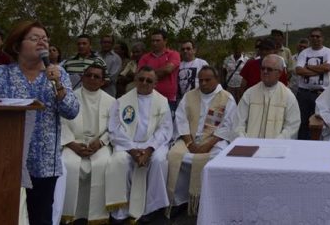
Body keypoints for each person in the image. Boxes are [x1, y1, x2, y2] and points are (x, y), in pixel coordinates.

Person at [0, 21, 79, 225]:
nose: (42, 42)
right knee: (1, 214)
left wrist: (58, 86)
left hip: (44, 163)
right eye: (35, 38)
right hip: (6, 162)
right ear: (17, 45)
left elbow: (72, 111)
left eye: (45, 39)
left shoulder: (58, 74)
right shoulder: (2, 73)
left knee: (41, 218)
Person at [106, 67, 173, 223]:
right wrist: (132, 150)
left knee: (158, 161)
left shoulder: (162, 102)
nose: (144, 83)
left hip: (153, 143)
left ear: (155, 83)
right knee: (120, 161)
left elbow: (165, 129)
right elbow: (114, 128)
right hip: (127, 144)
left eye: (149, 80)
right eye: (141, 79)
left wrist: (149, 150)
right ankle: (121, 208)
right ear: (135, 79)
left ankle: (151, 208)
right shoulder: (121, 101)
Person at [166, 66, 236, 215]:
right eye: (201, 80)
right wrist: (190, 143)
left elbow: (228, 125)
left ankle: (206, 199)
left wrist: (208, 144)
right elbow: (181, 120)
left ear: (216, 80)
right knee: (174, 156)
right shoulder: (189, 96)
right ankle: (180, 200)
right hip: (189, 139)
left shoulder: (226, 98)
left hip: (214, 140)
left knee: (218, 156)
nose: (203, 83)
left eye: (207, 80)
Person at [60, 63, 115, 224]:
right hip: (74, 142)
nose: (92, 78)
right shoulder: (70, 98)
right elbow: (61, 122)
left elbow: (114, 127)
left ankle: (97, 216)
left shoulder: (111, 101)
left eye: (96, 76)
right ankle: (69, 214)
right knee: (67, 164)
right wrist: (71, 143)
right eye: (89, 75)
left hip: (98, 144)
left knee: (104, 163)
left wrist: (101, 142)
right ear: (82, 77)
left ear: (103, 81)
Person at [232, 55, 301, 140]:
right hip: (249, 145)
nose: (265, 72)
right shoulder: (250, 93)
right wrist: (245, 141)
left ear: (279, 73)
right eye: (263, 68)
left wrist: (273, 143)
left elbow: (292, 126)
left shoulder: (288, 96)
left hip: (276, 147)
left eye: (269, 69)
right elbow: (238, 122)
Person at [295, 28, 330, 140]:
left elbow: (328, 67)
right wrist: (319, 70)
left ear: (322, 38)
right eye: (312, 36)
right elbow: (298, 70)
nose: (315, 38)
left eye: (318, 36)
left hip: (321, 93)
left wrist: (309, 67)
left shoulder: (328, 52)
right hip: (304, 93)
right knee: (303, 123)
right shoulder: (304, 53)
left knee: (321, 123)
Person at [137, 29, 180, 111]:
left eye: (158, 40)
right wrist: (159, 72)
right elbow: (139, 75)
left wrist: (148, 74)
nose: (155, 43)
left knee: (167, 123)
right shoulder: (145, 57)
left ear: (165, 41)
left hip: (168, 99)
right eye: (153, 41)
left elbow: (168, 70)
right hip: (147, 98)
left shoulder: (173, 54)